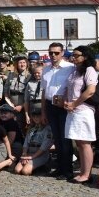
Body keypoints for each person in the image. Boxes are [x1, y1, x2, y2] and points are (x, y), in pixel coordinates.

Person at [62, 45, 98, 184]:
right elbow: (69, 89)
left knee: (85, 143)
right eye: (73, 55)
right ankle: (83, 170)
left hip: (83, 110)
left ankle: (87, 174)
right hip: (73, 111)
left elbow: (90, 90)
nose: (73, 57)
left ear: (85, 57)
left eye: (77, 55)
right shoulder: (74, 71)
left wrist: (74, 104)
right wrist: (66, 102)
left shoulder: (89, 70)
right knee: (78, 142)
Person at [41, 42, 76, 179]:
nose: (53, 55)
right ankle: (60, 168)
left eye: (56, 53)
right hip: (50, 105)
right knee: (57, 139)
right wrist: (44, 111)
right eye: (51, 53)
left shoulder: (70, 68)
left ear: (62, 53)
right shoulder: (46, 69)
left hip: (63, 106)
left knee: (65, 139)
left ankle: (68, 171)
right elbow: (44, 92)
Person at [15, 110, 53, 176]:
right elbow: (26, 143)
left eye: (38, 116)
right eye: (34, 116)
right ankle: (35, 167)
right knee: (17, 170)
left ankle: (42, 166)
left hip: (41, 154)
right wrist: (24, 155)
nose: (36, 118)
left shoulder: (47, 129)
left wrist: (31, 157)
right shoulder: (31, 128)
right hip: (29, 152)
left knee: (25, 171)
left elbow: (44, 146)